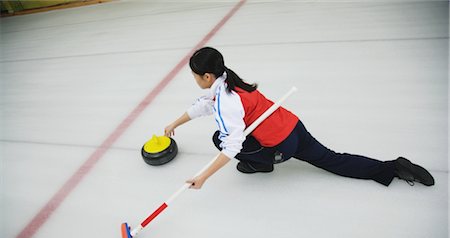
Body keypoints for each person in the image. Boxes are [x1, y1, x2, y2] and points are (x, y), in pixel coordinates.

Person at [164, 47, 434, 189]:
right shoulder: (226, 80)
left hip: (281, 146)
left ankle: (261, 165)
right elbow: (201, 106)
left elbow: (232, 145)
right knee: (333, 159)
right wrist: (175, 124)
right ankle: (393, 167)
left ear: (207, 77)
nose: (195, 80)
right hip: (293, 126)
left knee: (218, 138)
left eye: (195, 76)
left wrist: (203, 177)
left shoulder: (226, 102)